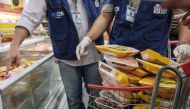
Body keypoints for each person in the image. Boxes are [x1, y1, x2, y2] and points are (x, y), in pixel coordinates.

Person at [5, 0, 103, 109]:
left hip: (94, 56)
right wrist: (14, 46)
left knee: (97, 100)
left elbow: (106, 15)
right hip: (67, 59)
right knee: (74, 102)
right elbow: (29, 17)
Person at [76, 0, 190, 63]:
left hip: (152, 57)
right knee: (118, 99)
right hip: (119, 55)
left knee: (148, 101)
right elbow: (105, 16)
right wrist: (88, 38)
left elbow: (183, 18)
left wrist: (184, 44)